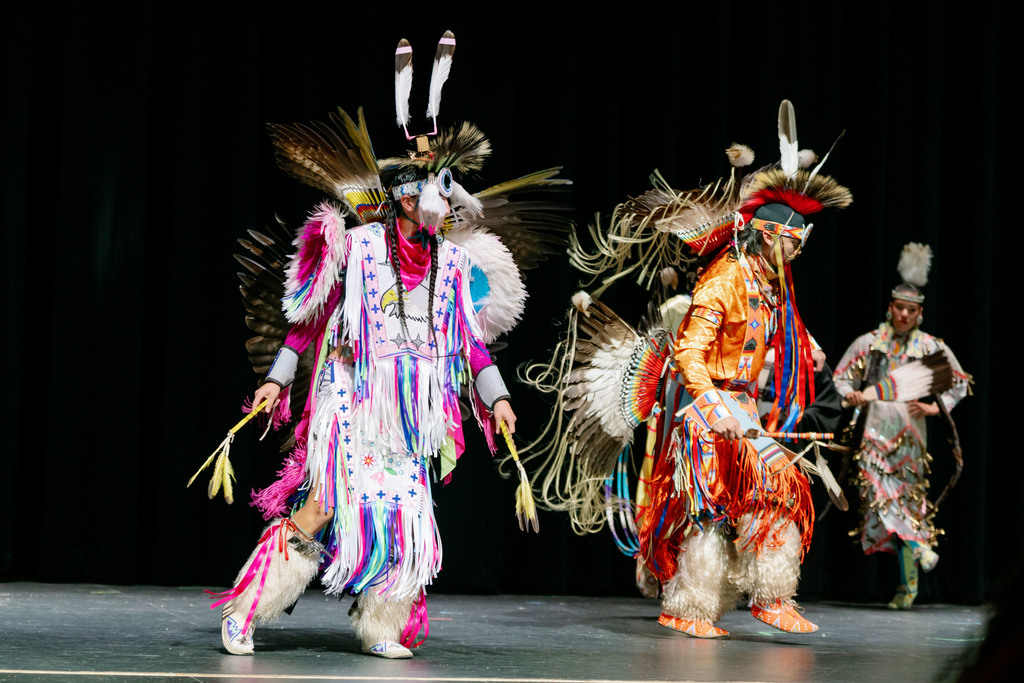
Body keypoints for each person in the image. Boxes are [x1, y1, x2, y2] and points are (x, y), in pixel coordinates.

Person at [209, 32, 568, 658]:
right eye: (423, 196)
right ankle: (246, 611)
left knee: (405, 512)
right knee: (323, 502)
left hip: (413, 407)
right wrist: (277, 377)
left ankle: (380, 625)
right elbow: (309, 318)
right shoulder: (359, 248)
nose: (435, 209)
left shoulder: (452, 266)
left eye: (442, 200)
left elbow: (470, 345)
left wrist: (498, 397)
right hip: (351, 392)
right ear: (403, 198)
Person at [523, 101, 851, 639]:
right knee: (709, 512)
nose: (797, 253)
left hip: (740, 409)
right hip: (708, 410)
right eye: (794, 242)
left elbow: (779, 324)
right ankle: (691, 607)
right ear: (771, 235)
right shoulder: (723, 279)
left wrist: (808, 345)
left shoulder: (767, 280)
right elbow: (690, 353)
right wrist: (711, 404)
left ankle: (771, 597)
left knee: (778, 490)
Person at [833, 243, 970, 609]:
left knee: (906, 506)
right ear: (890, 308)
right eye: (900, 308)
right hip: (875, 435)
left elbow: (960, 383)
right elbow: (841, 377)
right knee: (878, 500)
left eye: (912, 310)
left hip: (910, 438)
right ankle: (921, 550)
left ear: (920, 314)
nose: (905, 315)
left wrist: (933, 408)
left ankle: (907, 589)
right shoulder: (870, 343)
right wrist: (854, 396)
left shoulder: (928, 347)